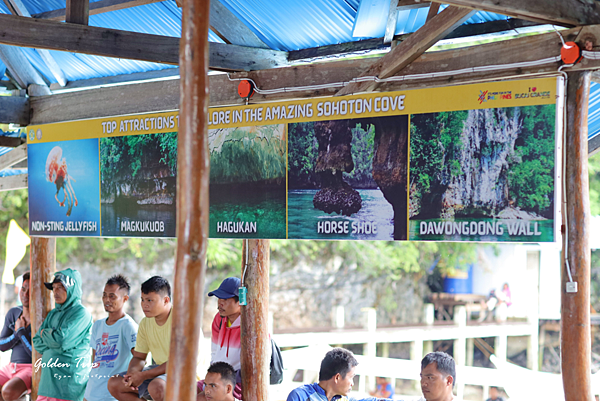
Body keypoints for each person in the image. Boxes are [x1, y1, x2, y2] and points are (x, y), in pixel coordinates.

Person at [32, 268, 93, 401]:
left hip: (68, 385)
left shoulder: (81, 313)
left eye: (60, 287)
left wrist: (46, 334)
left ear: (73, 289)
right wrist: (54, 340)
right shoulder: (53, 313)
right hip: (47, 384)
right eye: (54, 288)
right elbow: (37, 341)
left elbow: (62, 341)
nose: (55, 292)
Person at [108, 276, 172, 401]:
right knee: (115, 383)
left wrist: (143, 375)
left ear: (165, 300)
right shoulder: (145, 323)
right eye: (142, 300)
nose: (144, 305)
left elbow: (177, 363)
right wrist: (131, 375)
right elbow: (138, 357)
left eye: (150, 300)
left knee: (157, 386)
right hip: (158, 371)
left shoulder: (180, 320)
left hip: (183, 373)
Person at [84, 274, 138, 401]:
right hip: (92, 392)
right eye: (104, 295)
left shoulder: (128, 326)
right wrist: (87, 394)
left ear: (125, 299)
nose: (107, 300)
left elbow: (139, 359)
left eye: (112, 296)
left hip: (112, 395)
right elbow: (95, 361)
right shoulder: (97, 325)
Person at [197, 277, 242, 401]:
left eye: (226, 299)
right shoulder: (219, 319)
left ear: (240, 302)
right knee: (183, 392)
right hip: (216, 378)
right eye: (219, 298)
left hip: (237, 382)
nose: (220, 303)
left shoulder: (250, 323)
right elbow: (214, 352)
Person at [287, 347, 388, 401]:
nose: (352, 383)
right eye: (351, 377)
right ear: (337, 378)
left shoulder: (343, 399)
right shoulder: (300, 396)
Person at [0, 273, 32, 401]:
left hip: (31, 368)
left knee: (8, 392)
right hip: (11, 367)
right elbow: (1, 346)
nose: (25, 294)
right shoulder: (14, 313)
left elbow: (36, 354)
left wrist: (21, 332)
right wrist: (16, 334)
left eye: (31, 291)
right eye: (23, 289)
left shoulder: (43, 318)